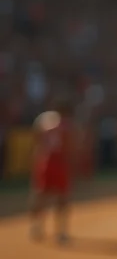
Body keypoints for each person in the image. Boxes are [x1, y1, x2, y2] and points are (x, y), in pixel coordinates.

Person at [30, 97, 75, 244]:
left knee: (41, 194)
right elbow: (69, 145)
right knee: (61, 197)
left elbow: (36, 138)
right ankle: (61, 231)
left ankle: (36, 227)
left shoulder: (44, 120)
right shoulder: (65, 124)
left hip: (44, 160)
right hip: (58, 162)